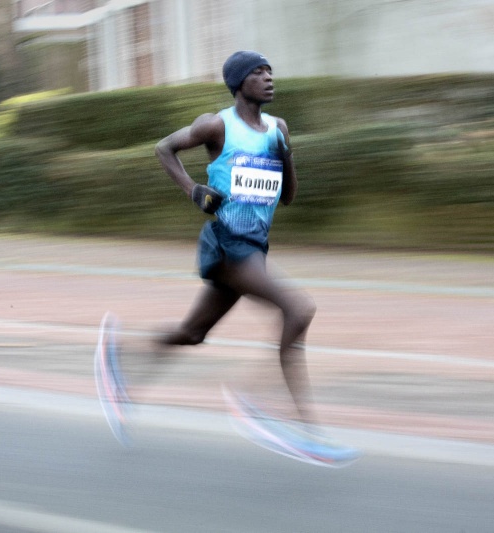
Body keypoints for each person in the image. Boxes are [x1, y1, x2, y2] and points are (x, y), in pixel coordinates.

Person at [99, 51, 359, 467]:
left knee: (192, 333)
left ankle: (119, 360)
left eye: (271, 71)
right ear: (239, 84)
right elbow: (164, 149)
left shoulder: (278, 129)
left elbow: (288, 197)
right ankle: (277, 412)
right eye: (258, 72)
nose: (269, 78)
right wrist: (192, 189)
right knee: (298, 309)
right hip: (226, 243)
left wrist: (286, 152)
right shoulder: (216, 125)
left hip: (253, 245)